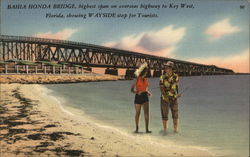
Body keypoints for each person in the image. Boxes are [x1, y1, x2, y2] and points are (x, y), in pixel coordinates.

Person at [159, 61, 180, 133]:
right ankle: (165, 130)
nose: (166, 69)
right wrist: (165, 97)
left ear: (171, 68)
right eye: (165, 67)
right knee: (165, 115)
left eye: (168, 67)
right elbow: (161, 88)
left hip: (174, 98)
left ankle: (175, 130)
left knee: (175, 114)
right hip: (165, 99)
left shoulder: (176, 76)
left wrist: (177, 94)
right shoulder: (162, 77)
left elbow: (176, 86)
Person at [131, 63, 152, 133]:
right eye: (146, 72)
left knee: (146, 113)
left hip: (145, 96)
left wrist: (148, 92)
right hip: (138, 97)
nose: (147, 73)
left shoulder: (146, 79)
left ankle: (147, 129)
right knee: (138, 113)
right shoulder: (137, 79)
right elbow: (131, 90)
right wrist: (137, 92)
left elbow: (146, 88)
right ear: (143, 71)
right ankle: (137, 128)